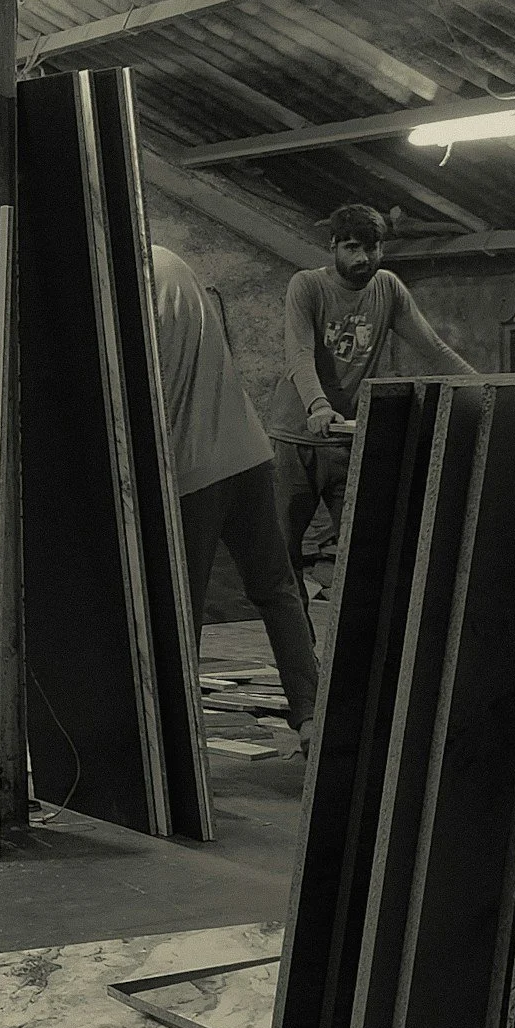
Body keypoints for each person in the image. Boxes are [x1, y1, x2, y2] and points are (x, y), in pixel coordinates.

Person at [150, 244, 324, 740]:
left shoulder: (138, 288)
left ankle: (174, 738)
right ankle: (311, 714)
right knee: (277, 588)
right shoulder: (175, 265)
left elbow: (149, 390)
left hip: (192, 469)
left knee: (183, 609)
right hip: (247, 450)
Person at [266, 204, 474, 583]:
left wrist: (483, 388)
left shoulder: (388, 288)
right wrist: (318, 405)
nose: (364, 258)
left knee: (362, 547)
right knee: (283, 552)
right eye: (352, 248)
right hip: (297, 438)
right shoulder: (308, 286)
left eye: (373, 248)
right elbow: (299, 354)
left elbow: (433, 348)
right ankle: (295, 641)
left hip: (348, 439)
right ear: (333, 246)